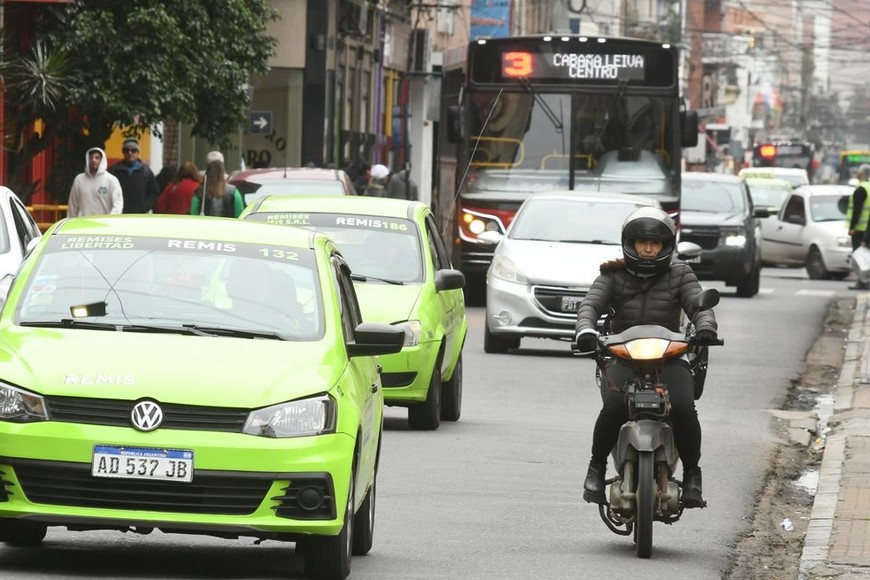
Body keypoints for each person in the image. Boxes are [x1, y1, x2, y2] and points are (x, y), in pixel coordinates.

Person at [573, 207, 719, 508]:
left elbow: (699, 304)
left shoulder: (680, 274)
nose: (649, 249)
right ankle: (596, 467)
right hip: (622, 356)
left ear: (667, 246)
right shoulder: (612, 275)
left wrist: (705, 326)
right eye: (642, 243)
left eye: (656, 244)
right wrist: (585, 330)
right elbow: (590, 305)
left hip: (670, 355)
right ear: (631, 244)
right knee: (613, 407)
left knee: (683, 408)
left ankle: (693, 474)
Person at [67, 147, 123, 218]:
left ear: (102, 160)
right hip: (82, 224)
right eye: (91, 157)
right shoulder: (79, 180)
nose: (93, 160)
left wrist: (109, 220)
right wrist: (71, 223)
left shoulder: (111, 180)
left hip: (103, 225)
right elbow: (73, 205)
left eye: (97, 158)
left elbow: (118, 205)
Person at [109, 138, 160, 213]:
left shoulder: (146, 172)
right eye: (126, 150)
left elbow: (154, 193)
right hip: (119, 215)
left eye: (133, 150)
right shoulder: (114, 170)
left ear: (137, 152)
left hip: (139, 216)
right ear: (123, 152)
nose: (130, 153)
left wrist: (144, 206)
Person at [847, 164, 870, 289]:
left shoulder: (861, 189)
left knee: (859, 257)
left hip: (860, 228)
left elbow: (857, 210)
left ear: (861, 174)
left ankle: (863, 282)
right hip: (868, 229)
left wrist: (852, 227)